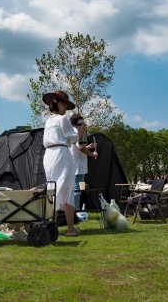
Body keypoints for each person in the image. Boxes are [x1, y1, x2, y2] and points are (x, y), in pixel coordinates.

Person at [42, 90, 81, 237]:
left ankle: (51, 226)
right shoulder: (63, 118)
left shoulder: (48, 120)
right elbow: (72, 138)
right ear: (60, 103)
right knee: (67, 189)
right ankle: (70, 229)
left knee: (53, 188)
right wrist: (79, 131)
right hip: (62, 154)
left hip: (49, 155)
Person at [70, 114, 98, 212]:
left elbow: (78, 147)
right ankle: (76, 210)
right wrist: (92, 154)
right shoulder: (78, 132)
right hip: (78, 166)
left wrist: (88, 147)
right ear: (79, 122)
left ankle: (76, 209)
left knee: (77, 188)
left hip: (76, 165)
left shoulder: (72, 132)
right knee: (77, 189)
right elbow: (80, 147)